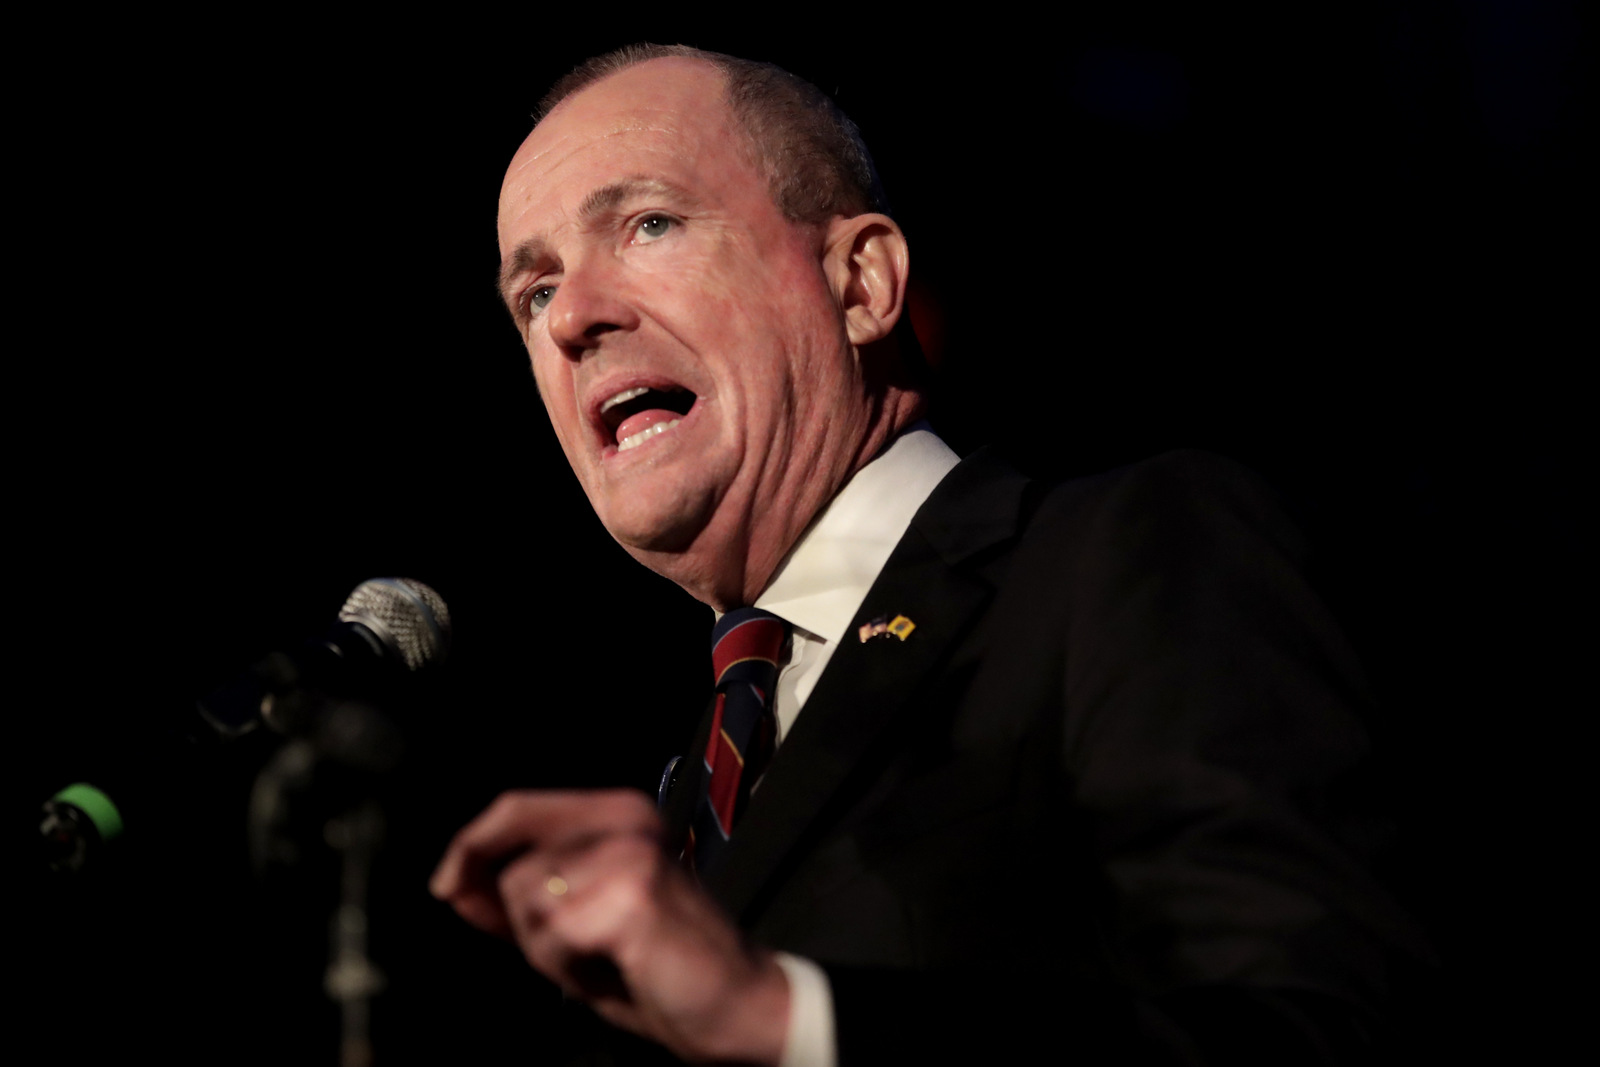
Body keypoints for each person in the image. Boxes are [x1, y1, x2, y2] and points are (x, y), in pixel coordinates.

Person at [430, 44, 1424, 1065]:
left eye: (649, 224)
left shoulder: (1127, 553)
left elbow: (1322, 1031)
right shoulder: (684, 787)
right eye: (535, 291)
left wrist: (785, 1018)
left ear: (862, 282)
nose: (574, 320)